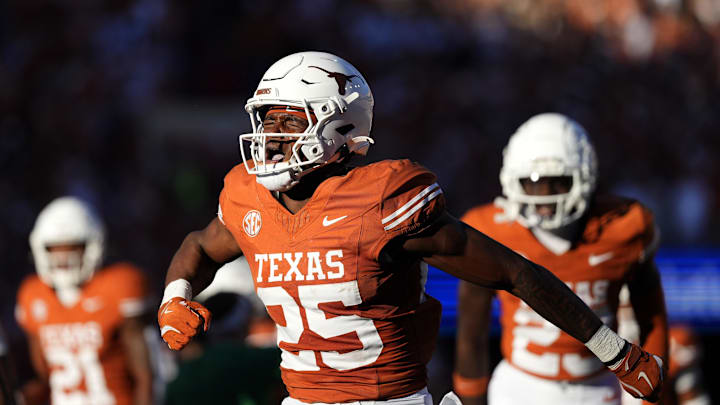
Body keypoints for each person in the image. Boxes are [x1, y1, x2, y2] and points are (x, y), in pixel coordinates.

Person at [157, 52, 665, 405]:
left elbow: (516, 274)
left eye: (287, 121)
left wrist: (614, 351)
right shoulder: (249, 197)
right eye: (266, 121)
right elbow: (199, 246)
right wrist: (175, 295)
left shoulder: (381, 201)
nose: (269, 137)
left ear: (338, 126)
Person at [453, 113, 669, 405]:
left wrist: (652, 396)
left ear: (585, 175)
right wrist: (470, 398)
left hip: (599, 388)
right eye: (532, 183)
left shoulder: (625, 227)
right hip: (521, 387)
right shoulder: (490, 229)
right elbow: (471, 332)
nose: (545, 198)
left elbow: (652, 317)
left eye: (558, 182)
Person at [15, 196, 153, 405]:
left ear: (93, 245)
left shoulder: (119, 286)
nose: (62, 257)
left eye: (72, 247)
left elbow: (147, 376)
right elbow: (44, 377)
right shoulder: (33, 296)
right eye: (54, 248)